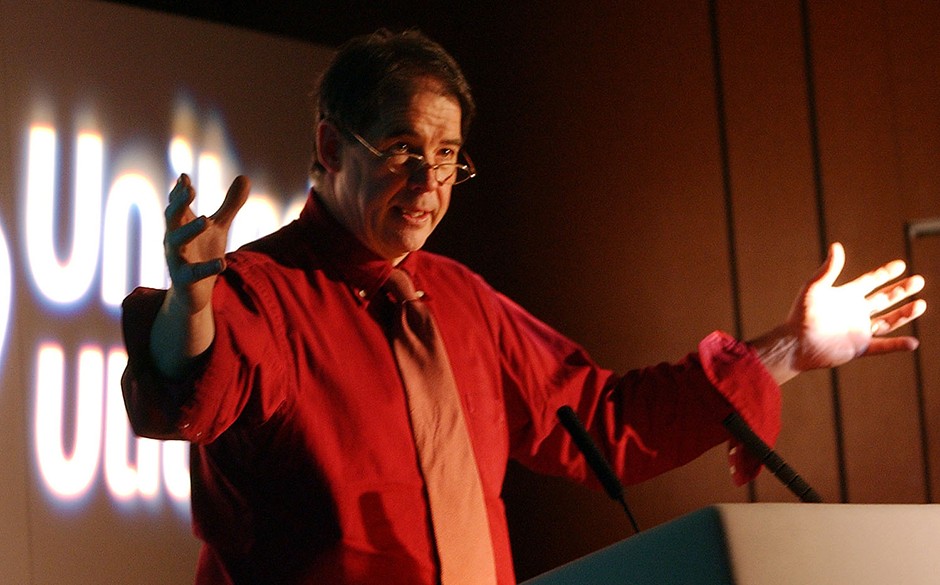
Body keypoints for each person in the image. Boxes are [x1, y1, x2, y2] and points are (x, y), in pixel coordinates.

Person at [121, 30, 926, 584]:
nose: (430, 182)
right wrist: (192, 301)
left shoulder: (462, 301)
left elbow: (606, 419)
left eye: (447, 156)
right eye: (404, 149)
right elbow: (191, 381)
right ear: (331, 149)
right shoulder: (265, 289)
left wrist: (789, 347)